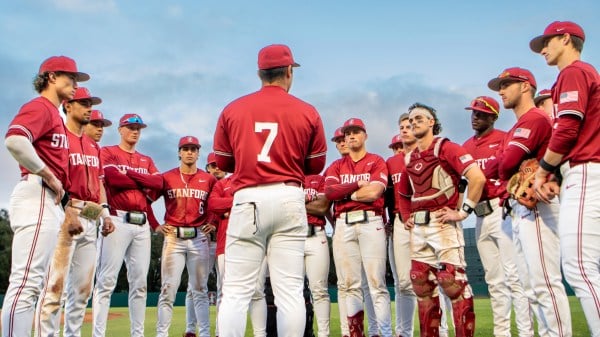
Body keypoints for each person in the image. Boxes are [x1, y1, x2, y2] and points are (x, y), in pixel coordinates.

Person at [213, 44, 327, 337]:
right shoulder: (307, 111)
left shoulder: (232, 108)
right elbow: (315, 166)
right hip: (289, 195)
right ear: (289, 72)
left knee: (236, 291)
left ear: (259, 73)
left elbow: (224, 162)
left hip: (248, 196)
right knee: (289, 291)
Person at [2, 55, 88, 337]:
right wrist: (47, 174)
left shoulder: (55, 114)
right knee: (27, 283)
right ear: (51, 77)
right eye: (71, 77)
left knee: (33, 284)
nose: (75, 84)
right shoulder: (41, 107)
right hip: (37, 192)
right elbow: (15, 139)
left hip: (47, 199)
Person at [487, 67, 572, 336]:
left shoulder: (534, 119)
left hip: (539, 206)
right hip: (519, 209)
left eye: (507, 84)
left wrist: (505, 164)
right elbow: (495, 168)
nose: (501, 90)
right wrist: (504, 164)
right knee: (530, 287)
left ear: (525, 86)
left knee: (545, 283)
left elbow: (505, 164)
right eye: (500, 85)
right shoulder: (515, 127)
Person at [530, 21, 600, 336]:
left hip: (587, 170)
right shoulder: (576, 75)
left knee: (579, 267)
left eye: (547, 41)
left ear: (566, 39)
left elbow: (569, 128)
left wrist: (544, 169)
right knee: (583, 267)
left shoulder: (574, 71)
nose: (543, 48)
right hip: (580, 170)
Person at [397, 103, 485, 337]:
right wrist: (405, 216)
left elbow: (477, 178)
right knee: (420, 282)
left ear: (431, 122)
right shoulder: (409, 159)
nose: (413, 122)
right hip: (419, 225)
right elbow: (404, 193)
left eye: (419, 118)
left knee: (452, 281)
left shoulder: (447, 148)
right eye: (411, 119)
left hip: (443, 223)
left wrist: (464, 211)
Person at [35, 87, 115, 337]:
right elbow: (49, 179)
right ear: (68, 106)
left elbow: (99, 183)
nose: (89, 107)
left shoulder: (93, 146)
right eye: (83, 102)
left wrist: (105, 213)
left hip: (90, 217)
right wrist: (67, 211)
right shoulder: (59, 138)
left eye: (90, 103)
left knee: (82, 292)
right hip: (64, 214)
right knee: (54, 289)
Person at [461, 96, 533, 337]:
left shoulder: (504, 138)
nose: (475, 117)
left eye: (481, 113)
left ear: (493, 116)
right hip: (479, 214)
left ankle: (525, 332)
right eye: (473, 113)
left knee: (515, 277)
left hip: (503, 210)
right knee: (494, 280)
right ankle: (501, 333)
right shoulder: (465, 147)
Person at [92, 113, 163, 337]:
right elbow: (113, 179)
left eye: (138, 128)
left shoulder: (147, 159)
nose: (135, 131)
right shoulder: (108, 152)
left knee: (140, 284)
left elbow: (158, 183)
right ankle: (98, 334)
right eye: (130, 127)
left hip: (141, 224)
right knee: (106, 281)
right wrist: (142, 182)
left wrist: (130, 174)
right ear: (121, 130)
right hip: (116, 219)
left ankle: (137, 334)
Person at [324, 118, 392, 337]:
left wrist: (347, 193)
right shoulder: (336, 166)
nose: (351, 136)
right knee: (351, 284)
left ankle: (382, 333)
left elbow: (374, 192)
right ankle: (355, 334)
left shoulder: (376, 160)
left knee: (376, 282)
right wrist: (355, 186)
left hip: (371, 221)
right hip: (344, 223)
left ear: (365, 135)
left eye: (356, 132)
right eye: (348, 133)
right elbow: (331, 193)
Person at [154, 136, 217, 337]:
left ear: (198, 153)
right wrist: (155, 224)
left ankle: (205, 333)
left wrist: (213, 222)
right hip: (173, 236)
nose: (189, 152)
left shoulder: (209, 179)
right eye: (186, 148)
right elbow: (145, 199)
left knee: (200, 289)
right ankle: (161, 334)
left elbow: (217, 203)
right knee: (167, 289)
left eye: (193, 149)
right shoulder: (167, 177)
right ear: (179, 152)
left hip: (198, 237)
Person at [184, 152, 225, 337]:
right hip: (204, 241)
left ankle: (220, 331)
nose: (217, 169)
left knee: (224, 288)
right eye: (213, 165)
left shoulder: (230, 186)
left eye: (220, 165)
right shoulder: (203, 184)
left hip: (225, 242)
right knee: (195, 286)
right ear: (208, 167)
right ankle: (191, 330)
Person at [385, 115, 417, 337]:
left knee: (435, 279)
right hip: (399, 221)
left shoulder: (429, 155)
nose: (405, 130)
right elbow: (387, 196)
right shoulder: (391, 163)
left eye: (410, 127)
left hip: (426, 218)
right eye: (402, 127)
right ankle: (404, 333)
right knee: (404, 282)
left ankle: (440, 330)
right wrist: (387, 219)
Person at [304, 173, 331, 337]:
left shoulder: (320, 179)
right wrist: (307, 201)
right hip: (292, 237)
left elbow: (322, 207)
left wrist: (295, 202)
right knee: (293, 292)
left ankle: (323, 334)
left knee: (319, 289)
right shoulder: (288, 179)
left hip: (316, 234)